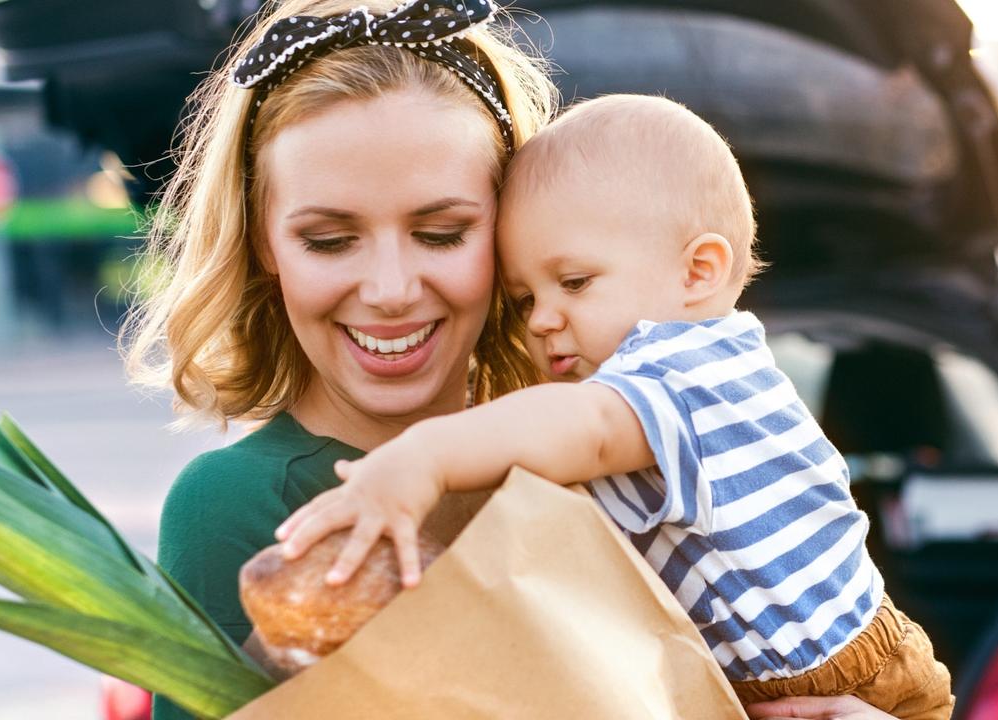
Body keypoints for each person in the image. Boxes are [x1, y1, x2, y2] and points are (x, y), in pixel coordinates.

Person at [277, 95, 955, 719]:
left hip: (845, 682)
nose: (542, 320)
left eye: (573, 282)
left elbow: (589, 428)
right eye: (524, 300)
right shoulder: (698, 373)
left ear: (699, 272)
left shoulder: (682, 373)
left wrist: (423, 458)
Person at [119, 1, 555, 718]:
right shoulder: (231, 505)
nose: (390, 290)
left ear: (510, 226)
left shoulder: (580, 449)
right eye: (329, 240)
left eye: (441, 233)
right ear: (265, 245)